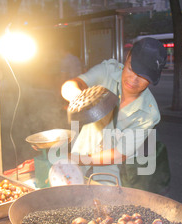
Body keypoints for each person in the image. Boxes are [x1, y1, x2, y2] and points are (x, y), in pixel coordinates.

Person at [61, 37, 169, 192]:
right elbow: (70, 85)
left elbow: (120, 154)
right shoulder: (107, 72)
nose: (133, 79)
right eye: (131, 68)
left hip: (110, 176)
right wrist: (80, 99)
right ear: (127, 58)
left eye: (144, 76)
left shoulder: (148, 113)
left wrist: (78, 159)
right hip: (76, 163)